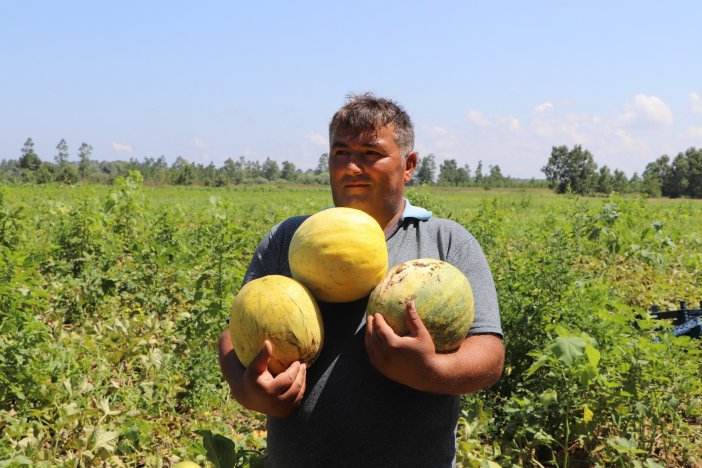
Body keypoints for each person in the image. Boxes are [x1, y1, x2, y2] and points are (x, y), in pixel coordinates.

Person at [218, 93, 504, 467]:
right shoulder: (290, 238)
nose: (352, 167)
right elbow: (236, 331)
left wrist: (431, 371)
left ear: (408, 165)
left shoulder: (445, 241)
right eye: (340, 153)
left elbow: (489, 356)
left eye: (370, 154)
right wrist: (247, 389)